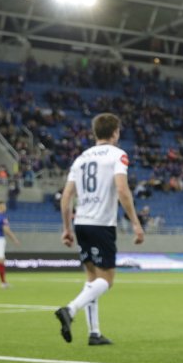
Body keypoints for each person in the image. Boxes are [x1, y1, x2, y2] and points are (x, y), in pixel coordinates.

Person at [54, 113, 145, 346]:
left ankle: (94, 333)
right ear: (115, 132)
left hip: (81, 223)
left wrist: (66, 228)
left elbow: (66, 197)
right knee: (107, 279)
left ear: (95, 133)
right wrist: (135, 221)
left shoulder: (80, 159)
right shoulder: (118, 155)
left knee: (92, 278)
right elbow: (122, 190)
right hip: (101, 224)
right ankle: (70, 309)